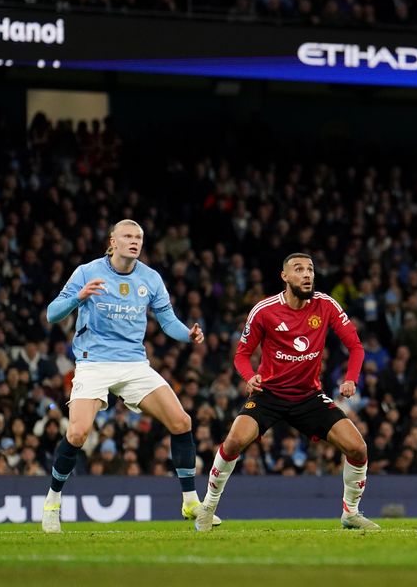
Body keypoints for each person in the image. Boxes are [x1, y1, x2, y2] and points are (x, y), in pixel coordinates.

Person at [42, 219, 206, 533]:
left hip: (133, 365)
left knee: (181, 421)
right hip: (94, 363)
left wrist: (188, 334)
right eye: (127, 236)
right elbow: (52, 314)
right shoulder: (87, 272)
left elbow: (167, 320)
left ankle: (190, 501)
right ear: (112, 241)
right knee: (77, 434)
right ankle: (52, 502)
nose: (134, 241)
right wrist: (79, 297)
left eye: (139, 237)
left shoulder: (151, 278)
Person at [194, 253, 378, 531]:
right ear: (285, 277)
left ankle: (350, 513)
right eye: (299, 269)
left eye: (310, 269)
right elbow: (241, 355)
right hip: (269, 395)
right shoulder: (264, 310)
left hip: (308, 396)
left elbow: (356, 347)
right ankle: (207, 507)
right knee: (233, 442)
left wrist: (351, 378)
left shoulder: (325, 305)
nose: (307, 274)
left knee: (358, 447)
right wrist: (249, 376)